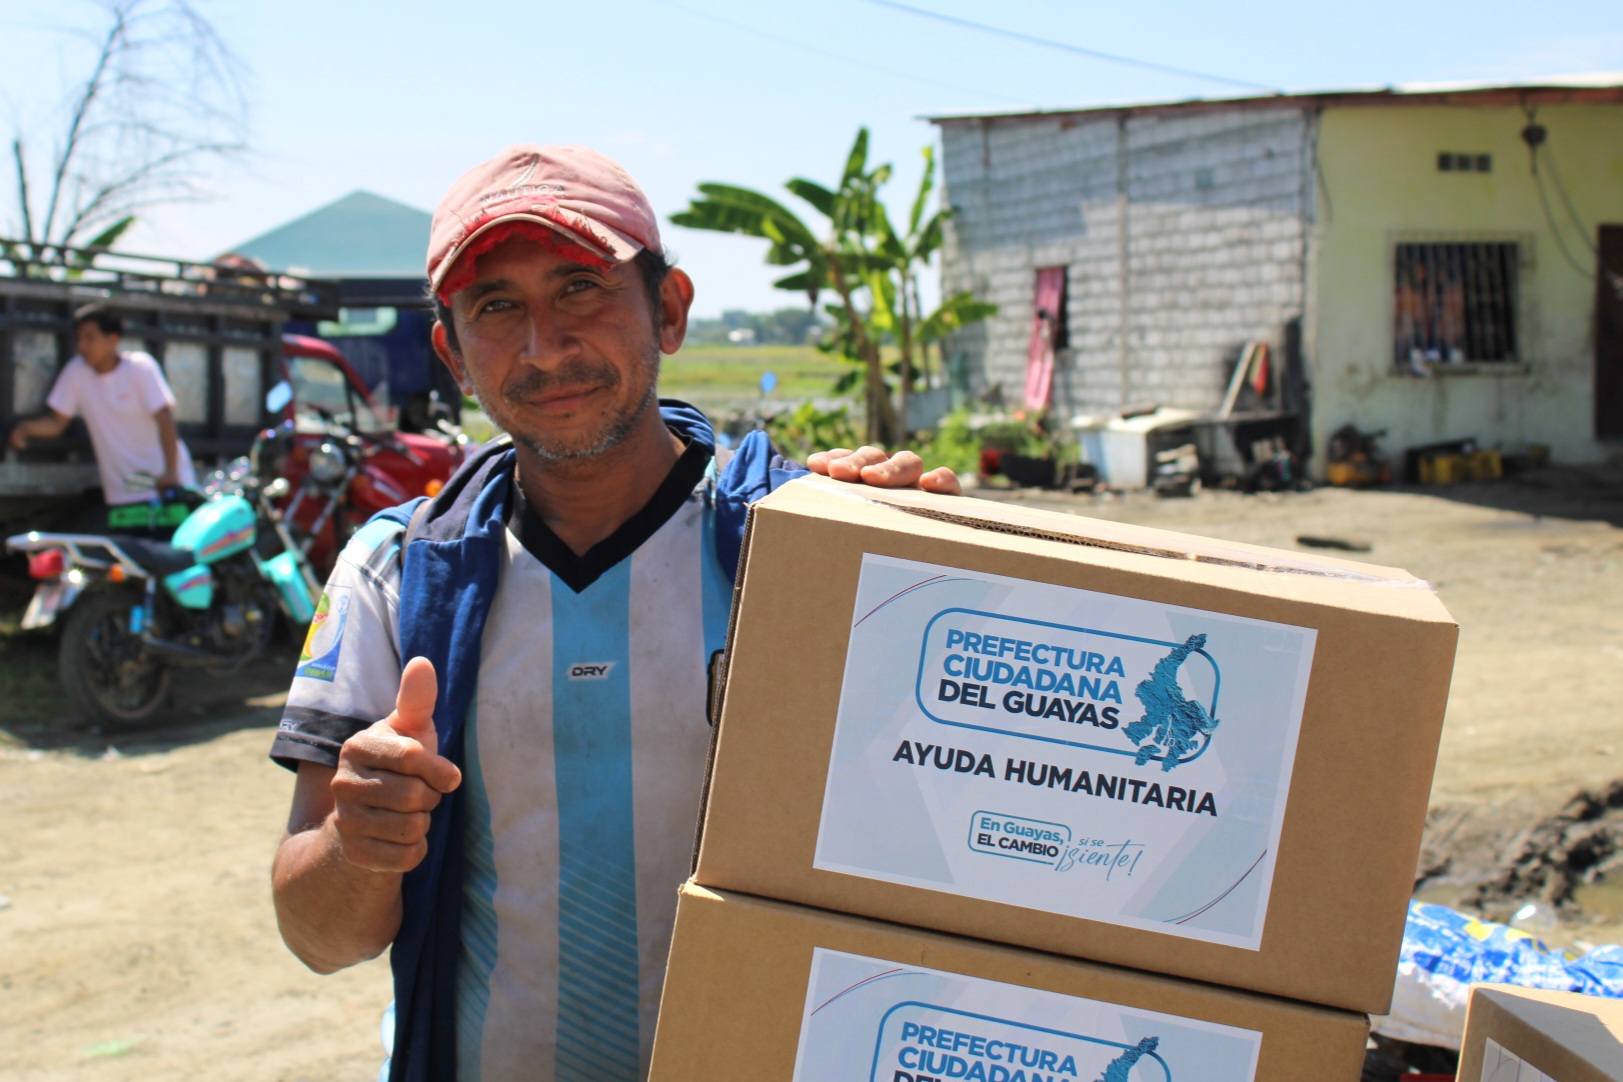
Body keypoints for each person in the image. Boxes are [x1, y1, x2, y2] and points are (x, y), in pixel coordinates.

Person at [268, 144, 959, 1082]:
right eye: (496, 307)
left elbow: (962, 843)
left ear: (667, 309)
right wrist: (360, 844)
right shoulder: (396, 571)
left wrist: (942, 574)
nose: (544, 348)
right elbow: (318, 938)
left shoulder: (804, 550)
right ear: (453, 356)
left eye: (580, 289)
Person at [8, 304, 196, 526]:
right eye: (79, 339)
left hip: (165, 491)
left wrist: (171, 473)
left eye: (90, 338)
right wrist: (25, 429)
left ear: (112, 339)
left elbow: (165, 421)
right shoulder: (77, 372)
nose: (82, 346)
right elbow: (57, 423)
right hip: (122, 496)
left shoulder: (140, 368)